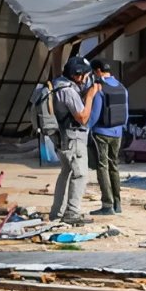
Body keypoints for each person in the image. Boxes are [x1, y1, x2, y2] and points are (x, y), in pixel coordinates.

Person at [49, 56, 98, 226]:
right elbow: (83, 117)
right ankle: (72, 213)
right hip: (72, 138)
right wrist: (90, 96)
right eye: (86, 75)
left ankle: (57, 212)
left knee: (66, 172)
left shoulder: (58, 84)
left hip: (61, 137)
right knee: (80, 174)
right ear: (77, 75)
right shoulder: (68, 91)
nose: (87, 78)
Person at [86, 59, 128, 216]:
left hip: (101, 133)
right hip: (118, 132)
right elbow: (126, 113)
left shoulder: (99, 88)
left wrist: (86, 127)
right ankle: (118, 204)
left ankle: (107, 205)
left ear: (97, 71)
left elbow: (95, 114)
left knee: (102, 167)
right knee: (114, 166)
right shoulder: (122, 88)